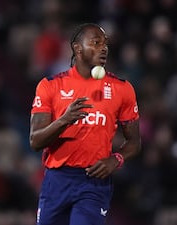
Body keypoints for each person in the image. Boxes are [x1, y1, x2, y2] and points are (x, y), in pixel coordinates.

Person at [29, 22, 141, 225]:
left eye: (105, 44)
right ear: (77, 48)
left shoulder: (122, 89)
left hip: (94, 181)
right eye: (96, 43)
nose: (104, 48)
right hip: (57, 180)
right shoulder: (50, 86)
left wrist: (116, 159)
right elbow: (36, 141)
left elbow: (134, 142)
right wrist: (65, 119)